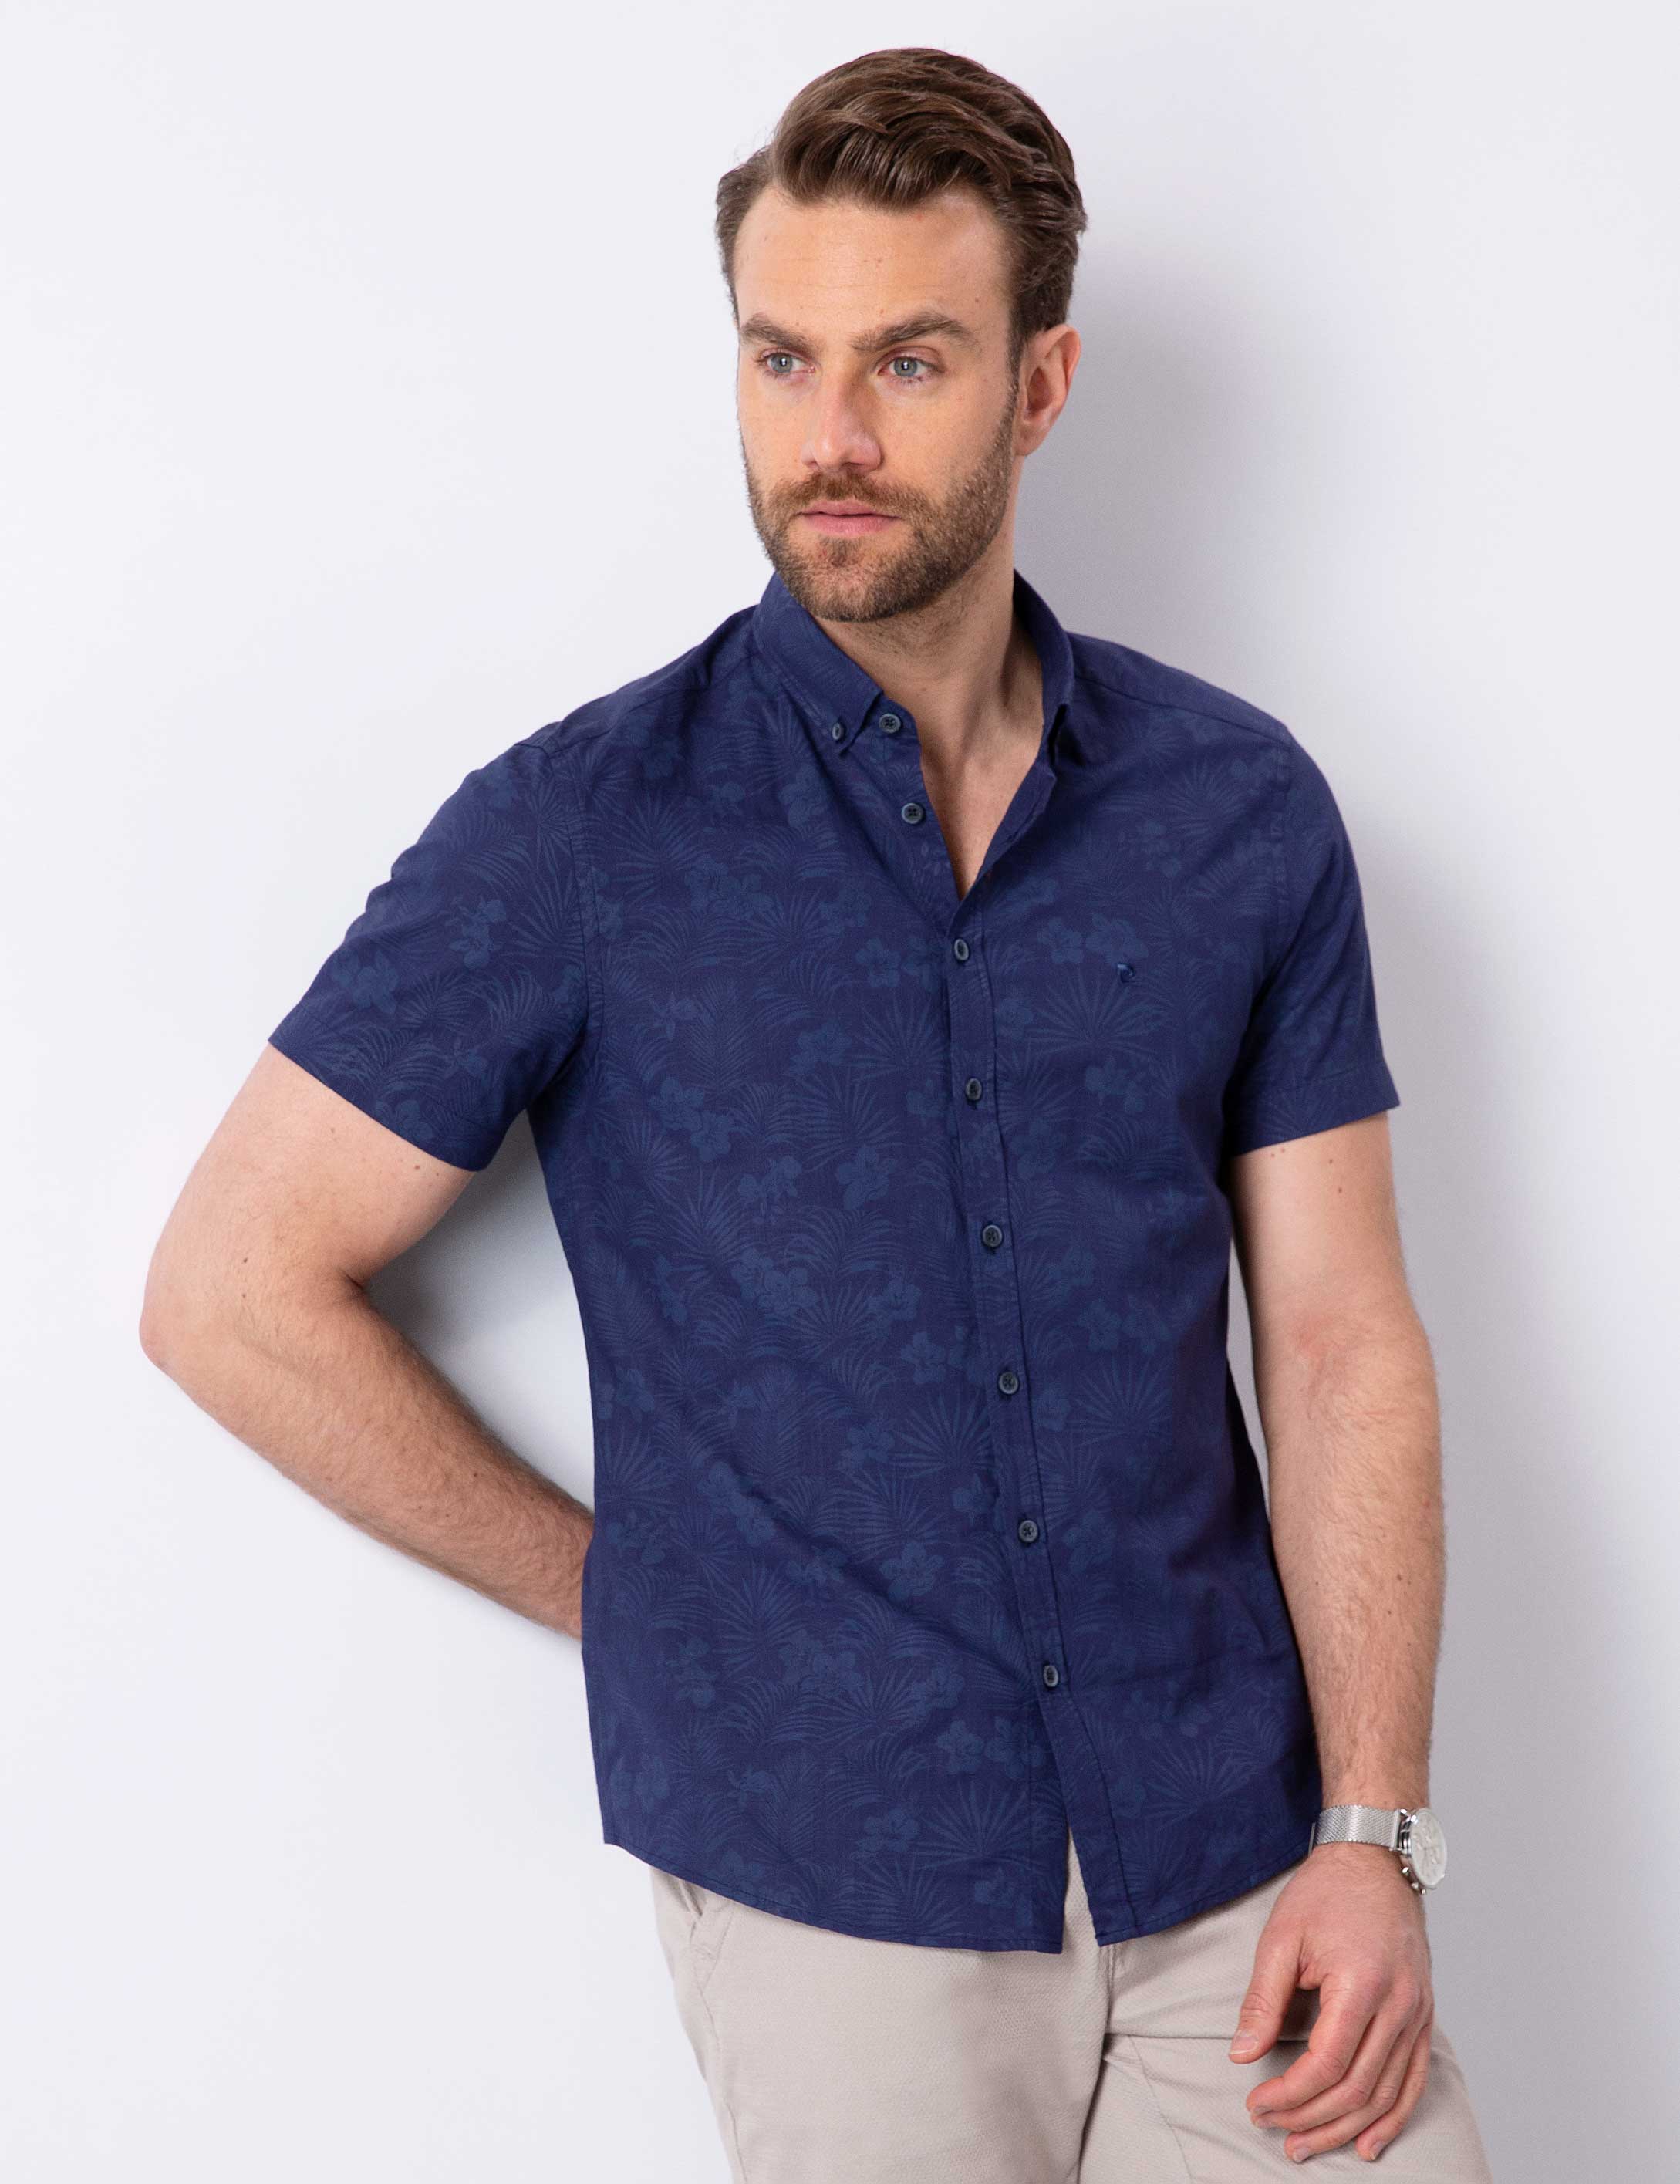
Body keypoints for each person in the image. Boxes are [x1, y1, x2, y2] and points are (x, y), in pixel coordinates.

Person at [140, 42, 1495, 2184]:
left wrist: (1373, 1830)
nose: (830, 437)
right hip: (835, 1884)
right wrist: (630, 1598)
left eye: (909, 362)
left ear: (1040, 389)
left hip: (1239, 1857)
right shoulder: (581, 833)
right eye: (782, 358)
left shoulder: (1236, 813)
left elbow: (1338, 1338)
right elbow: (229, 1291)